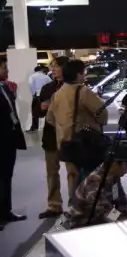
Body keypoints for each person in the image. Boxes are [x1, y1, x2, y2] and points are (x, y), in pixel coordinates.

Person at [46, 59, 109, 196]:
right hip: (85, 143)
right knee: (90, 177)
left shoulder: (57, 94)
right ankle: (89, 204)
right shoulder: (83, 91)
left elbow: (50, 118)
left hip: (66, 143)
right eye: (83, 72)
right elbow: (102, 113)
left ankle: (75, 203)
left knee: (73, 175)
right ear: (78, 74)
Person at [62, 146, 127, 229]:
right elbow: (105, 211)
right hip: (82, 225)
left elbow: (121, 201)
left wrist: (124, 215)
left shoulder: (114, 176)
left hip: (99, 220)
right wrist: (125, 223)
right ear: (115, 164)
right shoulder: (94, 181)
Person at [38, 56, 70, 219]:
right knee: (51, 172)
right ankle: (54, 205)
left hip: (69, 136)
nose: (53, 69)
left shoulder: (74, 88)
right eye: (52, 66)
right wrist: (42, 108)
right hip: (51, 135)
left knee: (73, 172)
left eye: (56, 66)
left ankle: (76, 204)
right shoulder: (47, 88)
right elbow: (37, 112)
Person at [0, 57, 27, 231]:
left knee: (6, 177)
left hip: (8, 140)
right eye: (4, 68)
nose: (7, 70)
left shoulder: (4, 87)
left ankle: (5, 211)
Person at [28, 65, 51, 132]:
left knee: (34, 112)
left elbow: (30, 85)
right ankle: (47, 126)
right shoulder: (46, 77)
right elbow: (51, 84)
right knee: (47, 111)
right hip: (46, 96)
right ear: (41, 70)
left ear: (35, 71)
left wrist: (33, 94)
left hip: (37, 95)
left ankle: (35, 127)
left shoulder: (32, 76)